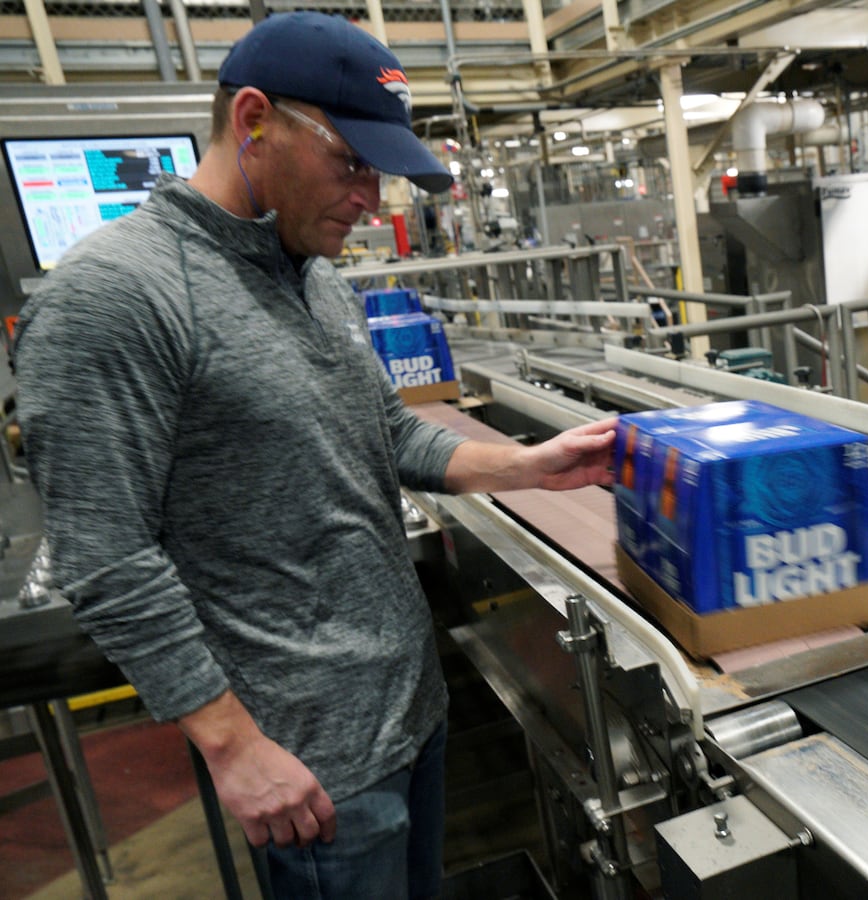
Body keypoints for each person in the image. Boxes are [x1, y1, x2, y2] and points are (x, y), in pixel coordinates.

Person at [13, 12, 616, 898]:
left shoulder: (318, 279)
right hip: (309, 766)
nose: (372, 200)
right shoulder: (115, 296)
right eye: (352, 163)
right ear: (254, 120)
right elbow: (109, 557)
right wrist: (234, 746)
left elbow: (389, 434)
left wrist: (530, 465)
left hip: (411, 714)